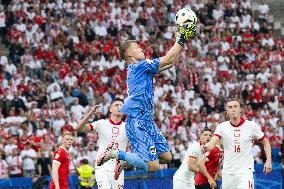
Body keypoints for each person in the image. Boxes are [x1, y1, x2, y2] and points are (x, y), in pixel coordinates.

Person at [96, 22, 197, 175]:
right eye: (137, 47)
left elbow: (169, 63)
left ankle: (127, 160)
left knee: (167, 157)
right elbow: (168, 58)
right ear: (130, 55)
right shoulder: (138, 66)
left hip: (148, 121)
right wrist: (181, 39)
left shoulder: (143, 68)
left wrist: (180, 41)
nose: (141, 48)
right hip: (136, 122)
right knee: (154, 167)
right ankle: (115, 154)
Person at [204, 97, 272, 189]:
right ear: (227, 111)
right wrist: (206, 147)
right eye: (230, 107)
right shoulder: (222, 126)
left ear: (240, 109)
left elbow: (266, 142)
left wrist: (268, 161)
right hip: (228, 173)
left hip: (245, 172)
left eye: (235, 106)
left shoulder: (251, 126)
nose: (233, 109)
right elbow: (212, 143)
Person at [76, 98, 128, 189]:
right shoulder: (102, 123)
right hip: (102, 167)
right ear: (110, 109)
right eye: (116, 105)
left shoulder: (128, 128)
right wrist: (89, 115)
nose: (119, 107)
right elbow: (79, 128)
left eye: (121, 106)